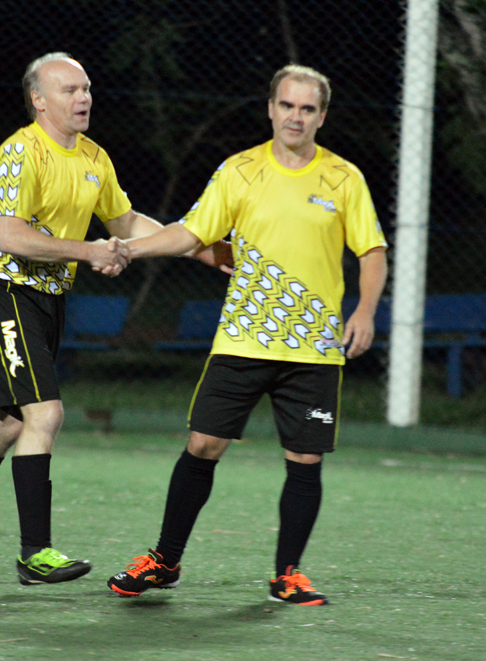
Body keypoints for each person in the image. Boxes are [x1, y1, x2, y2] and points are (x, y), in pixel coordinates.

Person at [0, 52, 229, 588]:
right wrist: (89, 251)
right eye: (69, 90)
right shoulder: (18, 154)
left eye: (86, 89)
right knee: (46, 413)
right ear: (39, 100)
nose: (83, 98)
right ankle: (35, 553)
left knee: (8, 420)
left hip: (48, 299)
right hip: (5, 289)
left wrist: (195, 247)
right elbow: (9, 236)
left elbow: (124, 221)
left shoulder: (94, 157)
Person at [107, 64, 388, 605]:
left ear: (321, 116)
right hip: (242, 340)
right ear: (271, 109)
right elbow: (193, 233)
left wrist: (366, 310)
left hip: (314, 347)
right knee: (202, 444)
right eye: (287, 105)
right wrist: (129, 248)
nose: (296, 116)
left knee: (305, 461)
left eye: (308, 108)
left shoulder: (344, 178)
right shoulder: (239, 171)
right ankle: (164, 562)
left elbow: (371, 251)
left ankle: (288, 575)